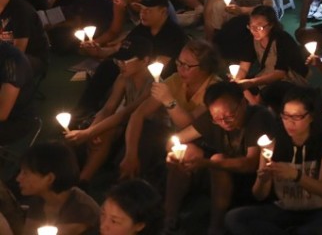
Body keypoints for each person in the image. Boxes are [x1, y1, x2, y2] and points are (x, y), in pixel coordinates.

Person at [224, 87, 322, 235]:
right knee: (234, 217)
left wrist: (295, 175)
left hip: (319, 210)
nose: (289, 123)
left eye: (296, 117)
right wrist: (262, 180)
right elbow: (259, 195)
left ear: (311, 116)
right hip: (282, 209)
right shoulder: (272, 141)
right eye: (285, 116)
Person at [164, 81, 277, 234]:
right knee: (187, 152)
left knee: (218, 160)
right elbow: (177, 139)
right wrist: (173, 155)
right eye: (217, 118)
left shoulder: (259, 117)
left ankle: (216, 227)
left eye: (229, 116)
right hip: (223, 175)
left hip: (257, 181)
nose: (224, 123)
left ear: (243, 103)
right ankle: (169, 219)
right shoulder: (214, 117)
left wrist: (205, 163)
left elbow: (251, 163)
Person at [120, 39, 221, 180]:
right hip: (173, 137)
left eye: (186, 66)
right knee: (146, 130)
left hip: (200, 143)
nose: (180, 69)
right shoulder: (176, 80)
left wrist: (168, 100)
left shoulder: (215, 89)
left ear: (205, 68)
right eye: (179, 63)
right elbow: (138, 114)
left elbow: (189, 125)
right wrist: (131, 154)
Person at [63, 36, 154, 182]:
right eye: (119, 60)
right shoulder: (123, 78)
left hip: (148, 126)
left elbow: (126, 113)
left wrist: (89, 133)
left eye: (126, 61)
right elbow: (108, 108)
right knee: (98, 132)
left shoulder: (153, 84)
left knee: (105, 131)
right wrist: (93, 129)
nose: (120, 65)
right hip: (127, 122)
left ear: (145, 61)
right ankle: (79, 177)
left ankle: (83, 180)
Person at [17, 141, 100, 235]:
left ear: (49, 178)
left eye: (25, 173)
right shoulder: (39, 200)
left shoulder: (82, 210)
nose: (18, 178)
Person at [232, 6, 309, 105]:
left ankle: (256, 104)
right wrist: (237, 80)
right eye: (251, 26)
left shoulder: (282, 39)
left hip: (289, 78)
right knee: (234, 90)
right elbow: (244, 67)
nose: (254, 31)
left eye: (259, 27)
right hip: (267, 74)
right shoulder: (252, 39)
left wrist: (250, 83)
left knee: (266, 93)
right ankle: (254, 102)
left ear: (271, 25)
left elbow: (280, 73)